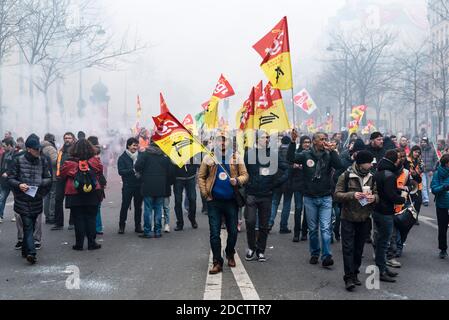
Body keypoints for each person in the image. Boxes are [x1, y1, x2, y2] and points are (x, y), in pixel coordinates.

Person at [288, 130, 343, 268]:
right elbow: (291, 158)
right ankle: (314, 253)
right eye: (322, 139)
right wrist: (293, 142)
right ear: (314, 141)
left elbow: (339, 166)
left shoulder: (329, 155)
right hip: (310, 197)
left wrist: (334, 151)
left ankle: (326, 256)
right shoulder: (306, 155)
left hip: (325, 197)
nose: (325, 141)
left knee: (325, 228)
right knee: (313, 229)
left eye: (326, 138)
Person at [198, 132, 248, 274]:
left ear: (229, 142)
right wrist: (205, 193)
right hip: (214, 201)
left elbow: (245, 175)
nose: (222, 143)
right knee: (214, 233)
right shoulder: (209, 157)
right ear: (215, 142)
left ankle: (230, 252)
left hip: (231, 201)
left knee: (233, 231)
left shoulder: (236, 157)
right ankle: (217, 262)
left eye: (225, 140)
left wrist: (237, 180)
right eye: (219, 140)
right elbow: (201, 177)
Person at [334, 150, 378, 291]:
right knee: (348, 248)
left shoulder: (372, 177)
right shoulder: (346, 176)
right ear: (360, 163)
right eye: (368, 162)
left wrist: (374, 198)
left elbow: (377, 194)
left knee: (359, 249)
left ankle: (355, 273)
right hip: (348, 217)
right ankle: (348, 277)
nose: (371, 165)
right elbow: (337, 195)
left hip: (364, 218)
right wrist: (353, 195)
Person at [7, 134, 52, 264]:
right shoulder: (17, 160)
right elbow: (10, 178)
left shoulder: (43, 160)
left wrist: (38, 186)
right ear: (28, 149)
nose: (38, 151)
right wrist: (19, 185)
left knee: (31, 227)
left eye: (39, 149)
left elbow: (49, 179)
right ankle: (31, 253)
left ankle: (25, 250)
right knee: (27, 226)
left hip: (36, 199)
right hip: (22, 199)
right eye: (36, 149)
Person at [244, 130, 288, 262]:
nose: (267, 139)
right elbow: (243, 171)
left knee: (264, 225)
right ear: (257, 139)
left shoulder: (273, 154)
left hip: (266, 194)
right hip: (251, 193)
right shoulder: (249, 154)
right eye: (264, 137)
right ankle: (251, 248)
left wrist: (276, 183)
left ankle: (261, 251)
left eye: (268, 137)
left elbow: (286, 168)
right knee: (250, 222)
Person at [59, 139, 104, 251]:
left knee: (78, 218)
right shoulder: (95, 161)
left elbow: (62, 174)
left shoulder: (69, 163)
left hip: (74, 193)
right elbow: (100, 171)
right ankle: (91, 243)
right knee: (91, 218)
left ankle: (79, 244)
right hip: (93, 192)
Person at [373, 150, 406, 282]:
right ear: (394, 160)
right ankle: (381, 271)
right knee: (384, 243)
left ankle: (383, 268)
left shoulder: (380, 171)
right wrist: (402, 198)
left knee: (382, 242)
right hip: (385, 212)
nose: (400, 160)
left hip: (378, 210)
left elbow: (385, 191)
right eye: (398, 158)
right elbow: (390, 196)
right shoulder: (390, 175)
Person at [134, 140, 174, 239]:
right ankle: (157, 231)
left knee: (148, 209)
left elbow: (137, 166)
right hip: (161, 185)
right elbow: (170, 171)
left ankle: (147, 231)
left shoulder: (145, 154)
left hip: (148, 185)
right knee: (158, 209)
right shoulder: (164, 156)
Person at [117, 137, 143, 234]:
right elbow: (121, 171)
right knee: (125, 206)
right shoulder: (122, 158)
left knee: (138, 207)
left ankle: (138, 226)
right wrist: (132, 170)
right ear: (128, 146)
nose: (135, 147)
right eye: (133, 145)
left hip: (139, 185)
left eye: (136, 145)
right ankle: (122, 226)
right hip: (128, 185)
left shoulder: (140, 156)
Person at [269, 135, 294, 234]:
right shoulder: (292, 152)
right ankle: (283, 226)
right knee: (287, 203)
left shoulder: (275, 152)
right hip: (289, 181)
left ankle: (269, 223)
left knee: (274, 202)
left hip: (277, 181)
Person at [52, 132, 76, 231]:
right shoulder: (61, 151)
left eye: (69, 138)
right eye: (65, 138)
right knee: (58, 200)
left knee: (72, 201)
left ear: (73, 139)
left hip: (71, 178)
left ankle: (72, 222)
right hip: (60, 179)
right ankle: (58, 223)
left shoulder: (75, 150)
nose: (67, 140)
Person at [292, 135, 311, 242]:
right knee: (298, 208)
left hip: (309, 186)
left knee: (308, 210)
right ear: (301, 143)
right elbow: (289, 163)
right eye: (305, 142)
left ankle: (304, 232)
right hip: (298, 185)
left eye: (308, 142)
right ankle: (296, 233)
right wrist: (293, 166)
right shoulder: (297, 154)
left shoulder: (312, 154)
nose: (307, 144)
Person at [87, 136, 107, 235]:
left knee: (89, 207)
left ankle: (92, 228)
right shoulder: (98, 155)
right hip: (98, 184)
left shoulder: (88, 158)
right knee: (96, 207)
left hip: (91, 184)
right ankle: (98, 227)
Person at [431, 154, 449, 259]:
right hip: (442, 204)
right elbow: (434, 189)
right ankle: (443, 249)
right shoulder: (437, 174)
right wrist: (444, 187)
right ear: (446, 164)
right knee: (442, 229)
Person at [173, 157, 199, 231]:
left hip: (190, 177)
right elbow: (170, 165)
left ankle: (192, 218)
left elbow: (199, 163)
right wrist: (177, 163)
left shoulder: (192, 149)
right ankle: (180, 223)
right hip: (178, 179)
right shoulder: (173, 150)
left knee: (192, 199)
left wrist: (193, 162)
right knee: (178, 201)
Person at [41, 133, 58, 225]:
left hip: (44, 175)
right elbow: (54, 161)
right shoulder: (50, 148)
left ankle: (47, 215)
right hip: (53, 175)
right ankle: (51, 216)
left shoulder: (41, 147)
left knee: (46, 196)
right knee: (52, 196)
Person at [0, 137, 16, 223]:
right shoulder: (3, 154)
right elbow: (2, 166)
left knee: (17, 199)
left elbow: (15, 167)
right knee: (2, 198)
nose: (3, 148)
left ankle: (16, 215)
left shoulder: (16, 154)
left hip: (13, 180)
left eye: (4, 146)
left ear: (9, 145)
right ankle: (0, 216)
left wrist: (8, 173)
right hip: (4, 180)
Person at [421, 137, 438, 207]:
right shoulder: (420, 150)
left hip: (430, 171)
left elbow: (436, 160)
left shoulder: (432, 150)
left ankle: (426, 198)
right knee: (424, 185)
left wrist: (432, 170)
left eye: (424, 142)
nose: (423, 143)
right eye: (422, 142)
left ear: (427, 142)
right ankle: (425, 199)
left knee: (428, 186)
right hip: (422, 171)